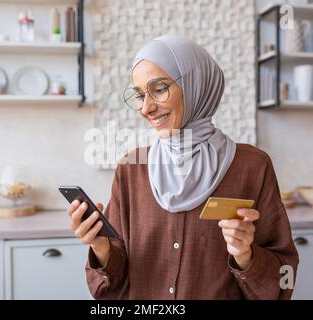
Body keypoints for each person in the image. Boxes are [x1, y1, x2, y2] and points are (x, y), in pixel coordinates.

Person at [67, 35, 299, 299]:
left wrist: (246, 256)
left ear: (195, 84)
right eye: (140, 95)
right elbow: (113, 286)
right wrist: (101, 246)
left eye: (158, 89)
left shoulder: (252, 167)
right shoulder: (131, 170)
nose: (146, 108)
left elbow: (284, 278)